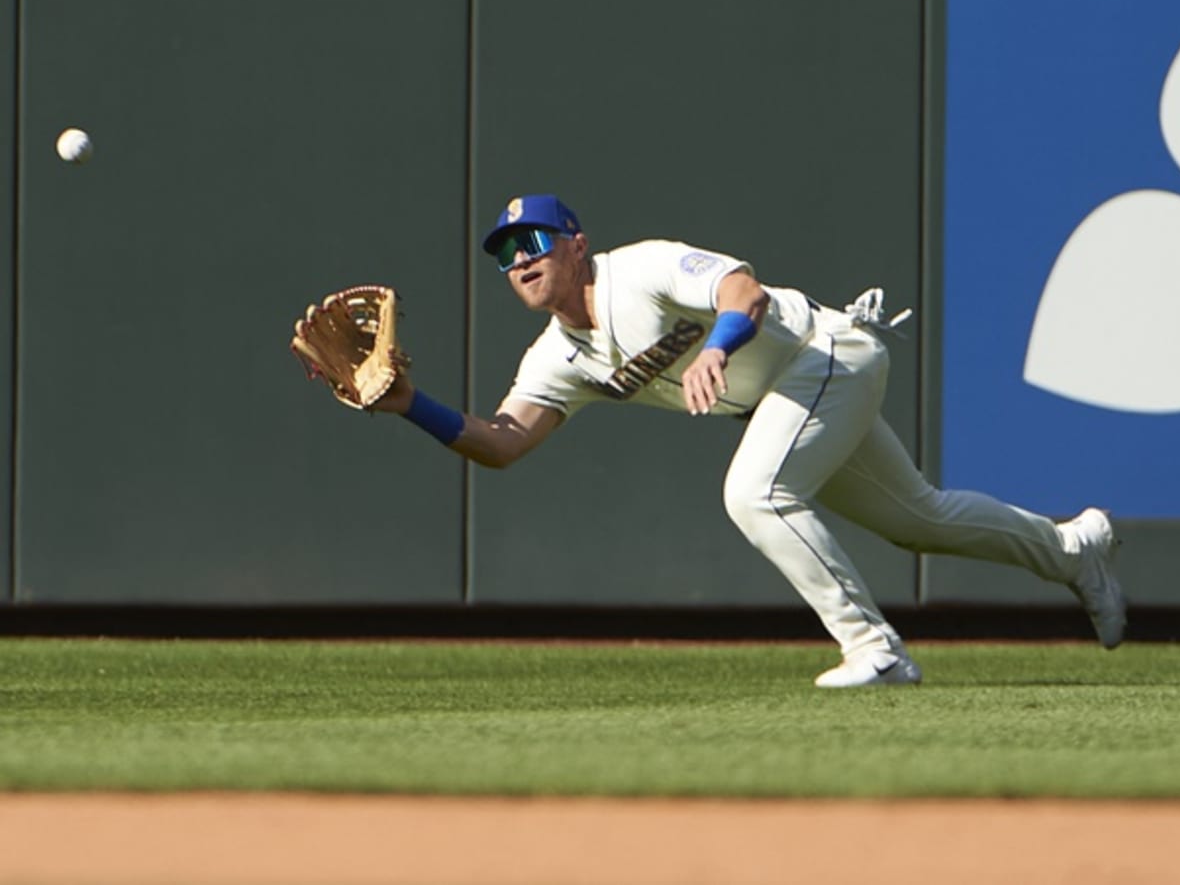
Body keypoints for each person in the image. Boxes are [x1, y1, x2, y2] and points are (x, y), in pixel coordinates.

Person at [374, 194, 1127, 687]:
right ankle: (1071, 551)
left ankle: (874, 648)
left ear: (575, 243)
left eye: (533, 239)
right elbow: (502, 442)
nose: (522, 260)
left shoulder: (637, 269)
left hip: (826, 352)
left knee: (755, 492)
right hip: (788, 396)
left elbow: (745, 291)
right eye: (506, 254)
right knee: (919, 520)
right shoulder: (555, 358)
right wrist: (411, 404)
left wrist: (716, 348)